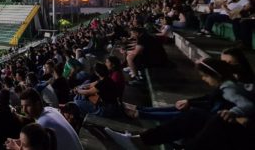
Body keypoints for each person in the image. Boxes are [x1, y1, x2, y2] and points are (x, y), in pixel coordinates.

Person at [106, 58, 255, 149]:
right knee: (189, 112)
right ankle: (139, 137)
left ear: (215, 75)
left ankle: (141, 138)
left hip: (227, 129)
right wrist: (189, 101)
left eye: (205, 76)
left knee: (192, 115)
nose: (204, 80)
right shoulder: (226, 86)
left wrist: (234, 112)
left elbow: (247, 105)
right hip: (215, 121)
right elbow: (208, 100)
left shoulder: (229, 88)